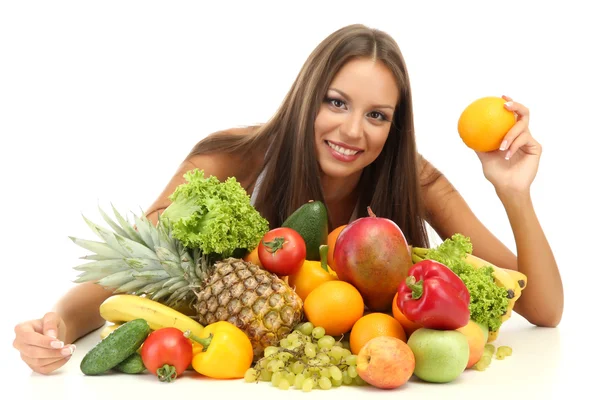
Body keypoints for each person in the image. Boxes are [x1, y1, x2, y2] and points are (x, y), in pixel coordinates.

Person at [13, 24, 563, 375]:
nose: (353, 130)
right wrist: (56, 323)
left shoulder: (414, 180)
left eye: (377, 116)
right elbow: (130, 274)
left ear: (394, 128)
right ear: (306, 97)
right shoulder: (226, 164)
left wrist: (513, 192)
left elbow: (543, 308)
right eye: (336, 102)